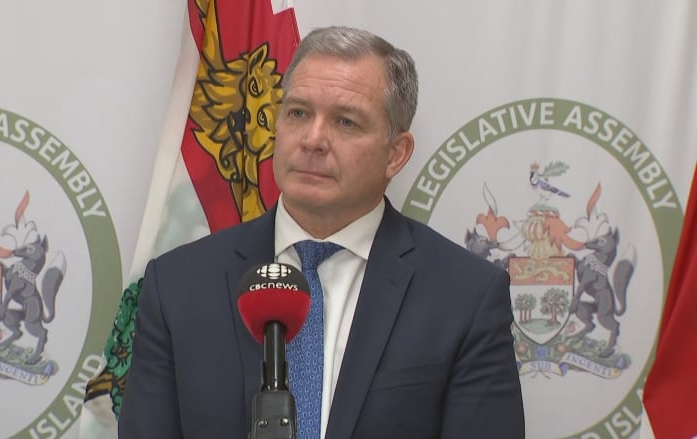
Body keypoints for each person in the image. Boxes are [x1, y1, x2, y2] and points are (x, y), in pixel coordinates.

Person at [118, 25, 525, 439]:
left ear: (396, 154)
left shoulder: (465, 295)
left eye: (346, 122)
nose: (313, 139)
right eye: (297, 113)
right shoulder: (178, 285)